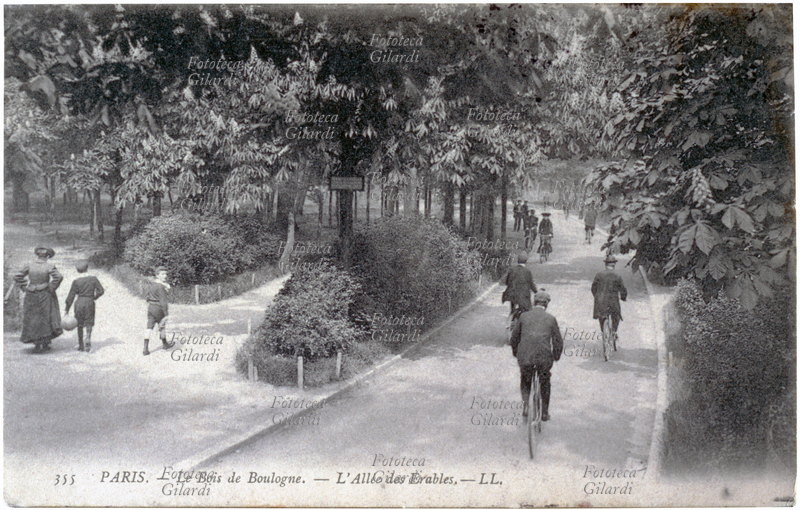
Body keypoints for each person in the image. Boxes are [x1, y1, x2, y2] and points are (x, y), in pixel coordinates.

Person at [510, 291, 563, 421]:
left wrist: (516, 353)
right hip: (543, 358)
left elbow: (514, 338)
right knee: (545, 380)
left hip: (525, 356)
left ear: (534, 302)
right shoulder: (550, 318)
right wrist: (555, 356)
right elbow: (558, 341)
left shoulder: (523, 317)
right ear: (546, 304)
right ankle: (544, 412)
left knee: (525, 377)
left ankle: (526, 406)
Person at [14, 247, 63, 352]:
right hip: (44, 293)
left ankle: (36, 344)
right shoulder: (49, 266)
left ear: (37, 255)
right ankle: (45, 343)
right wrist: (51, 287)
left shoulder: (29, 265)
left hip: (31, 294)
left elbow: (17, 276)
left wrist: (24, 287)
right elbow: (59, 277)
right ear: (47, 256)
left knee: (33, 318)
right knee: (45, 318)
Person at [65, 260, 105, 352]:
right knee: (89, 322)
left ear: (77, 270)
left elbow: (70, 297)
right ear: (87, 268)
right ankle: (88, 338)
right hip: (89, 302)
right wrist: (94, 297)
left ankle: (80, 345)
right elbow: (101, 291)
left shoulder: (76, 282)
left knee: (79, 323)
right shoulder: (93, 279)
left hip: (79, 303)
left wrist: (67, 309)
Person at [592, 254, 628, 343]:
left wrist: (597, 296)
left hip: (600, 301)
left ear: (606, 264)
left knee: (601, 316)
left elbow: (593, 288)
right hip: (613, 302)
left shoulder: (599, 275)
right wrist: (623, 297)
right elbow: (623, 289)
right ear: (614, 265)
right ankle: (613, 332)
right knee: (616, 316)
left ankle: (604, 332)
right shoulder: (617, 275)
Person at [143, 266, 175, 356]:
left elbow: (147, 296)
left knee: (149, 327)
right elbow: (163, 302)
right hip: (158, 308)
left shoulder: (152, 284)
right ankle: (165, 344)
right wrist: (166, 313)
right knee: (162, 326)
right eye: (163, 274)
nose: (165, 276)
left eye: (166, 274)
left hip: (151, 307)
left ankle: (145, 348)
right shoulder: (161, 287)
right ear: (157, 275)